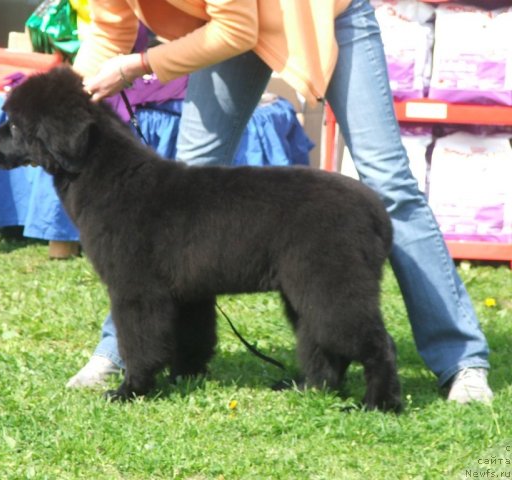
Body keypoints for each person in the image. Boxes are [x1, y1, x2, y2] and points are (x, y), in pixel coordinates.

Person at [65, 0, 493, 404]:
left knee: (390, 184)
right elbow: (109, 30)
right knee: (187, 182)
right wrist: (67, 97)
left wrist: (140, 66)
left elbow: (236, 27)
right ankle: (124, 351)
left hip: (312, 14)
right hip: (224, 30)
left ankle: (461, 361)